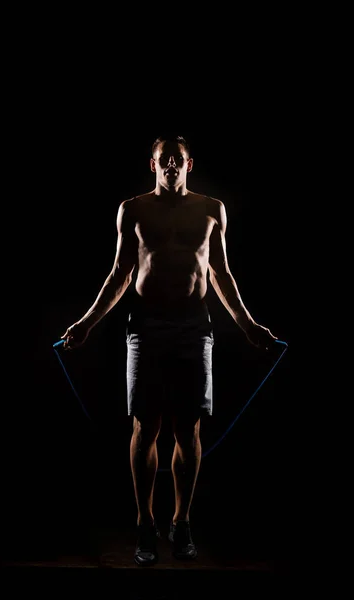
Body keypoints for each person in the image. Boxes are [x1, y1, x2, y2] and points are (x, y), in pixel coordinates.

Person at [61, 134, 277, 566]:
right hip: (145, 329)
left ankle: (181, 524)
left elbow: (221, 273)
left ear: (190, 164)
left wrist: (249, 325)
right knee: (145, 428)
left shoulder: (212, 209)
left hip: (195, 329)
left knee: (188, 430)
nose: (172, 167)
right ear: (154, 163)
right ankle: (145, 524)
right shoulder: (134, 209)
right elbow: (119, 273)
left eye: (179, 160)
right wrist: (87, 322)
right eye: (166, 160)